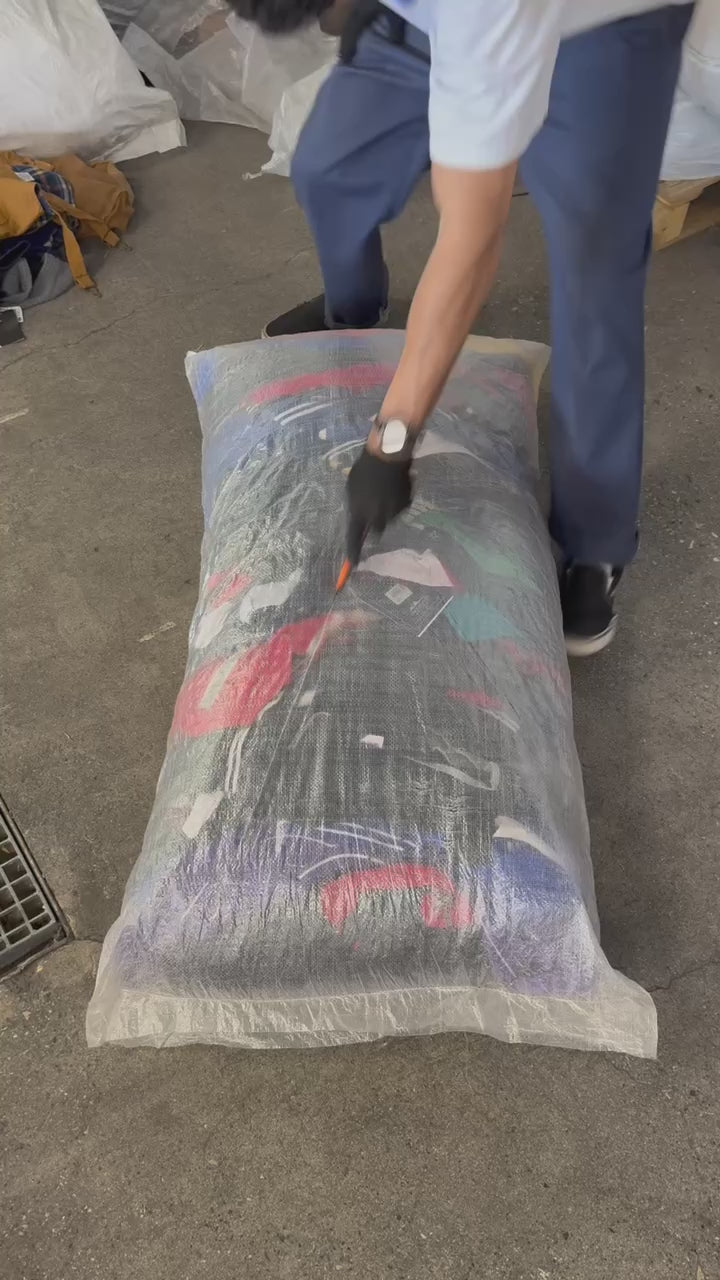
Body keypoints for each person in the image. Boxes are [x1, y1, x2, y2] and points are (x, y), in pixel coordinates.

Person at [231, 0, 694, 655]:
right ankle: (356, 308)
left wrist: (391, 442)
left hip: (601, 26)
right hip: (434, 20)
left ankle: (595, 543)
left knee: (595, 273)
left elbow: (473, 235)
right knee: (329, 167)